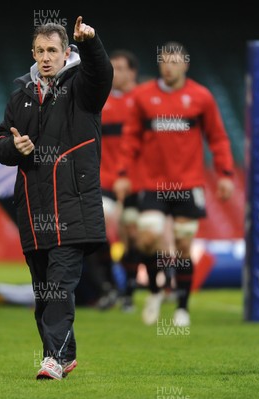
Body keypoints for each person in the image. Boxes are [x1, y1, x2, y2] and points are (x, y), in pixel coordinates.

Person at [0, 17, 112, 380]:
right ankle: (61, 354)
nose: (46, 58)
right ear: (33, 53)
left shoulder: (83, 88)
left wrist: (91, 43)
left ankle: (54, 360)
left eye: (53, 51)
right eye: (41, 51)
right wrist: (14, 146)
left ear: (66, 53)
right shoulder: (20, 95)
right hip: (33, 209)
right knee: (43, 295)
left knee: (59, 288)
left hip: (73, 208)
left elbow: (101, 74)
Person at [114, 42, 234, 327]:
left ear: (185, 64)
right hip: (152, 183)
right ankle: (155, 291)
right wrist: (122, 173)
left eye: (174, 61)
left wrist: (226, 174)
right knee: (146, 238)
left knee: (182, 246)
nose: (169, 66)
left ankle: (182, 307)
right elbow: (130, 138)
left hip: (188, 183)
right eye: (164, 61)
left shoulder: (201, 97)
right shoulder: (143, 97)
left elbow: (217, 138)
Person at [92, 49, 141, 312]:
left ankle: (129, 292)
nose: (115, 73)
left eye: (120, 68)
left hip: (137, 181)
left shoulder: (143, 100)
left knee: (134, 236)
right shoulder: (101, 101)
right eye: (112, 68)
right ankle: (109, 286)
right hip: (105, 181)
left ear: (133, 72)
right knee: (97, 225)